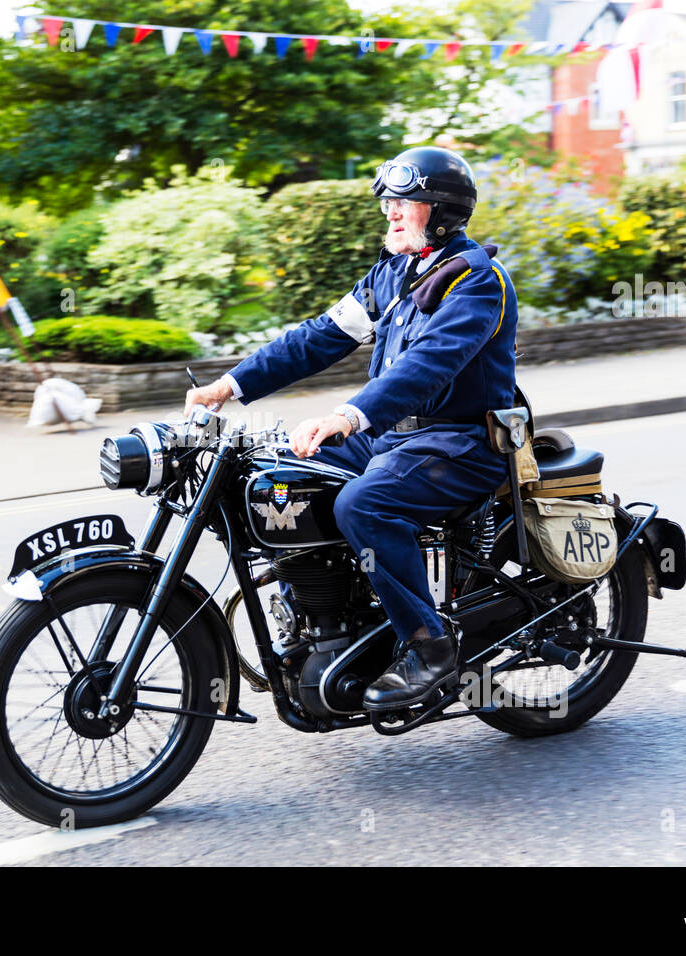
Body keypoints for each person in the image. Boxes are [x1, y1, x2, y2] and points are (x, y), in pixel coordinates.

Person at [184, 146, 519, 710]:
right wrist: (230, 386)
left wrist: (348, 415)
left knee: (364, 506)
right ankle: (320, 611)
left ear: (440, 210)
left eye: (404, 202)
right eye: (388, 201)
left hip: (460, 440)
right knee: (279, 478)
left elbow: (429, 364)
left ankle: (429, 645)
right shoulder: (391, 274)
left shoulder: (477, 283)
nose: (390, 211)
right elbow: (318, 338)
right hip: (393, 436)